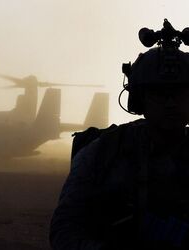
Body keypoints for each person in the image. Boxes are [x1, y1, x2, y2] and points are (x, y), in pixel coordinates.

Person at [50, 19, 189, 250]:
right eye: (160, 94)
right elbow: (64, 230)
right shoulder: (103, 152)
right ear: (139, 99)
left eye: (180, 93)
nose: (171, 104)